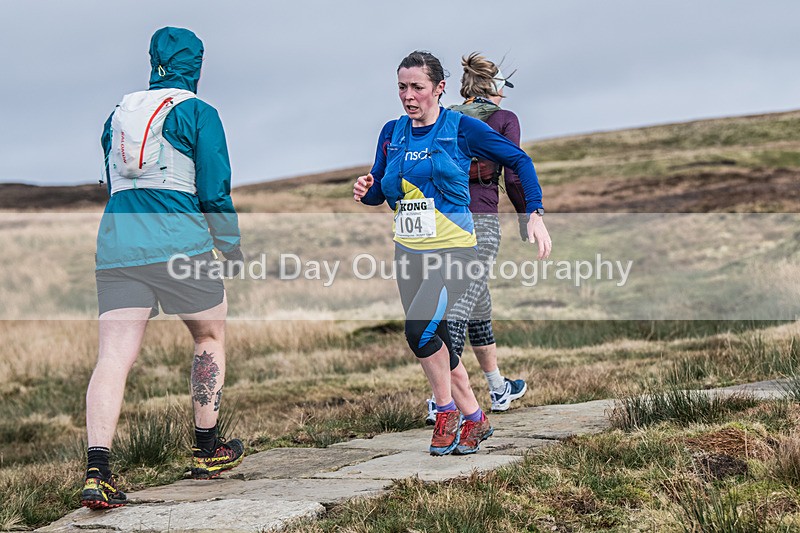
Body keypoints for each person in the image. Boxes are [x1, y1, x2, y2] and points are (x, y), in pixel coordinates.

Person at [353, 51, 551, 456]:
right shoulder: (392, 132)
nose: (408, 96)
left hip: (455, 250)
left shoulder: (461, 128)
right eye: (402, 87)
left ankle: (446, 412)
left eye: (417, 87)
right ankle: (475, 418)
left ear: (439, 88)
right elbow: (381, 189)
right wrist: (366, 190)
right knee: (437, 337)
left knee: (418, 331)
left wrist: (534, 212)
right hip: (409, 250)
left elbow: (519, 160)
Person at [81, 27, 245, 509]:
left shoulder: (116, 115)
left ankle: (97, 473)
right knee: (209, 336)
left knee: (113, 357)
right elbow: (214, 189)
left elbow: (113, 180)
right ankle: (206, 450)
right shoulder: (198, 112)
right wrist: (229, 245)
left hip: (118, 245)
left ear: (153, 61)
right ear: (196, 65)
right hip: (180, 243)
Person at [425, 52, 535, 424]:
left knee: (477, 301)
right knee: (459, 304)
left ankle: (497, 386)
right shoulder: (504, 119)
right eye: (504, 86)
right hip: (480, 221)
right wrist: (526, 216)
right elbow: (515, 173)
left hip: (443, 221)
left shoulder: (446, 118)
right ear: (493, 87)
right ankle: (441, 399)